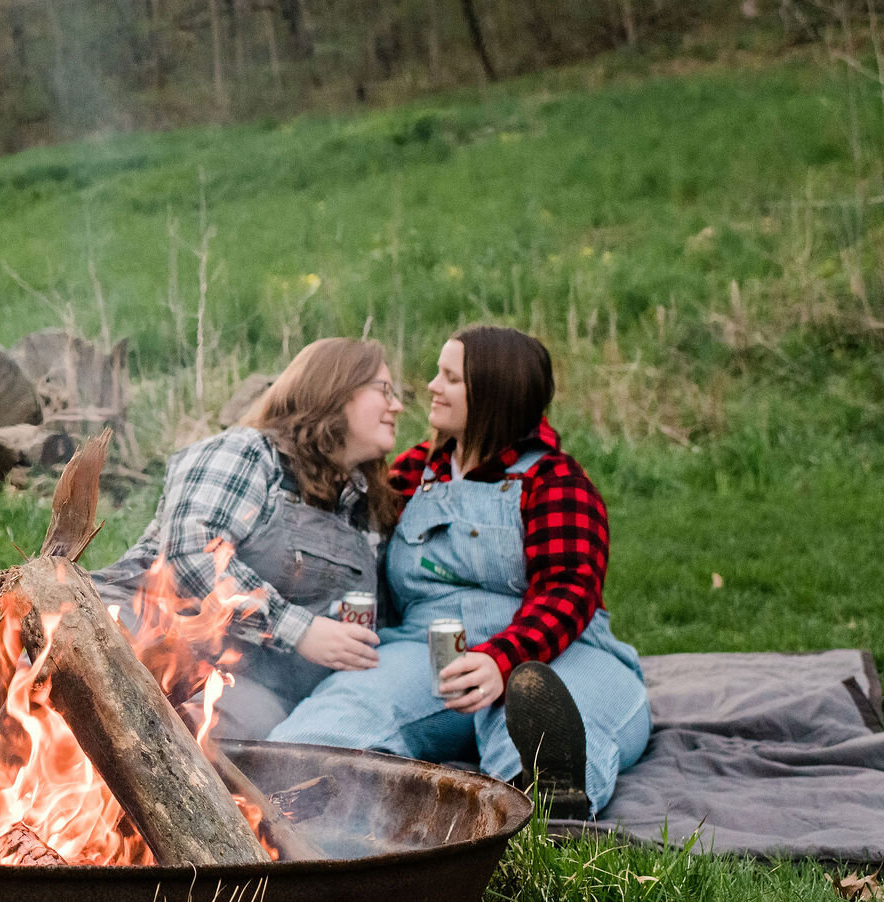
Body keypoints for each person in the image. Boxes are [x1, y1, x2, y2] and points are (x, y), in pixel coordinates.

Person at [268, 325, 650, 819]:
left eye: (450, 378)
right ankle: (286, 813)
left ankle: (544, 817)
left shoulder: (555, 482)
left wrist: (501, 660)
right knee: (342, 712)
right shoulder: (410, 475)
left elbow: (568, 590)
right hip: (426, 652)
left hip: (553, 654)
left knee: (554, 716)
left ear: (493, 394)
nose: (431, 386)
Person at [90, 337, 403, 740]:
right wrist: (300, 630)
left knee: (260, 743)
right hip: (148, 630)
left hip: (245, 679)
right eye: (384, 390)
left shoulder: (368, 512)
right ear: (336, 390)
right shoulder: (251, 453)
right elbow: (190, 553)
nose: (396, 406)